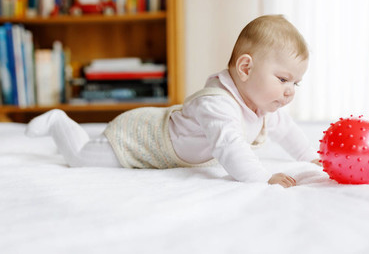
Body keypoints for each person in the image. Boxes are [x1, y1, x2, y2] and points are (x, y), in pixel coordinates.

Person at [26, 15, 321, 188]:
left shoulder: (263, 106)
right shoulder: (218, 105)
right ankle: (58, 121)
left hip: (162, 138)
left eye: (296, 82)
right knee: (81, 158)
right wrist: (263, 178)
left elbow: (290, 133)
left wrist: (311, 159)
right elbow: (231, 148)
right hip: (141, 138)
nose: (290, 91)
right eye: (283, 79)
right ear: (245, 68)